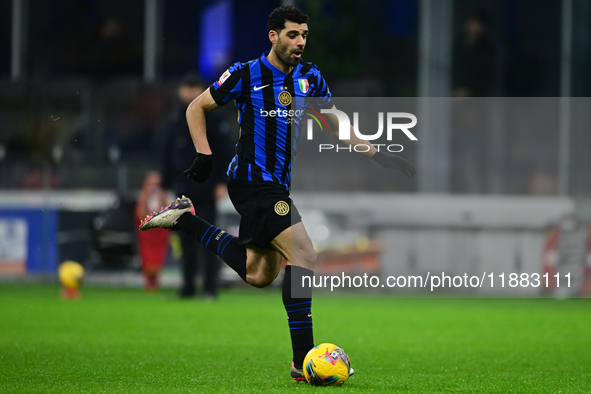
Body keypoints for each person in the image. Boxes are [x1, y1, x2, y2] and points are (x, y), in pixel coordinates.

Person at [140, 5, 415, 381]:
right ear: (273, 36)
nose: (300, 42)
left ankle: (187, 221)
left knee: (258, 273)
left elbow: (336, 126)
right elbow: (195, 108)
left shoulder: (310, 78)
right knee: (304, 251)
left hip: (276, 185)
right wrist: (204, 154)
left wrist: (378, 152)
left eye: (304, 35)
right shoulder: (244, 74)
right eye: (292, 34)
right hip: (252, 182)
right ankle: (301, 362)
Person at [161, 74, 233, 299]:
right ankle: (188, 286)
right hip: (183, 188)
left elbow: (225, 152)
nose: (190, 92)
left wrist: (222, 181)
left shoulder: (213, 118)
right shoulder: (175, 119)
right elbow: (168, 154)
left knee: (209, 238)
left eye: (195, 88)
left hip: (207, 187)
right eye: (187, 87)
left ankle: (211, 287)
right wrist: (165, 185)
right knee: (185, 241)